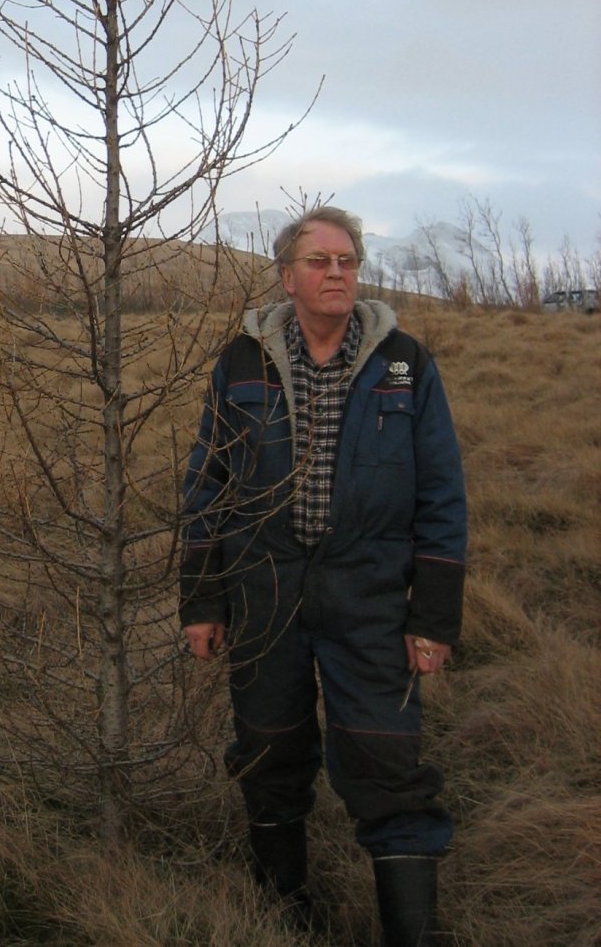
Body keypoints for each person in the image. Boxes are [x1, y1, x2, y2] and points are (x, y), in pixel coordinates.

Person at [179, 206, 466, 946]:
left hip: (367, 592)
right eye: (320, 261)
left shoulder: (405, 362)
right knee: (269, 751)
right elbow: (206, 485)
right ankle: (285, 913)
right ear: (288, 275)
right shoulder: (241, 360)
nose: (337, 273)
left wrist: (432, 618)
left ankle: (412, 932)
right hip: (265, 589)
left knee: (386, 760)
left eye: (347, 260)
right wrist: (202, 598)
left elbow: (442, 495)